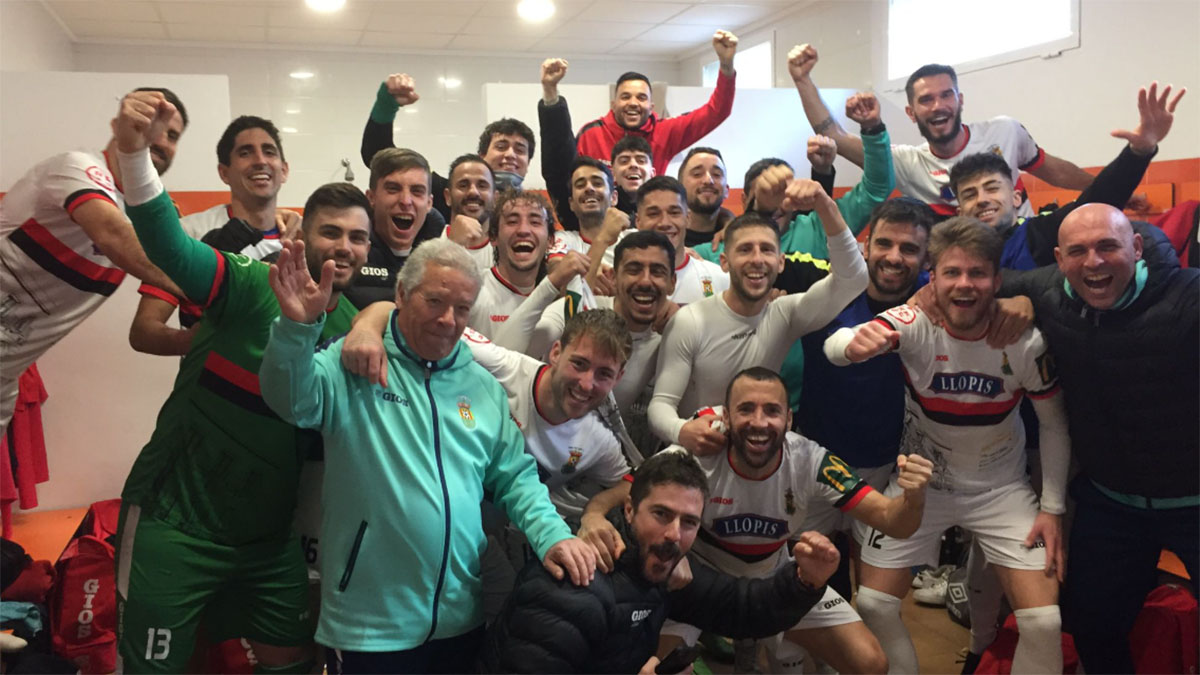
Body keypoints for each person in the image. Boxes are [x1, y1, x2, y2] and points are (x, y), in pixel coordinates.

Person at [110, 93, 369, 674]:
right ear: (300, 234)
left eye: (358, 238)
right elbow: (167, 245)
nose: (344, 248)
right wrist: (132, 152)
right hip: (172, 525)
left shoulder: (356, 329)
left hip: (268, 540)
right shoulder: (251, 280)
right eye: (331, 233)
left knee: (294, 663)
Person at [259, 236, 597, 674]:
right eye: (435, 301)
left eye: (461, 308)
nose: (447, 319)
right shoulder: (356, 361)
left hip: (460, 618)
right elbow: (288, 401)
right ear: (400, 294)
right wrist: (297, 330)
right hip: (370, 626)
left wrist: (552, 535)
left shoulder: (482, 388)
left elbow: (516, 478)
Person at [825, 217, 1071, 673]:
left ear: (997, 280)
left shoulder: (1022, 340)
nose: (964, 285)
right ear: (931, 278)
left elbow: (1054, 424)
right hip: (923, 487)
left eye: (977, 274)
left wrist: (1052, 509)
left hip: (1001, 489)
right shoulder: (917, 319)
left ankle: (979, 645)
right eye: (952, 273)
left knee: (1043, 622)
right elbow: (836, 345)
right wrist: (855, 344)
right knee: (876, 603)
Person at [998, 203, 1198, 673]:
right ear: (1058, 258)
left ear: (1136, 246)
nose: (1093, 261)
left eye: (1108, 246)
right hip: (1112, 505)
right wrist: (928, 298)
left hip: (1194, 500)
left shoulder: (1188, 296)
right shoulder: (1046, 290)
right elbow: (976, 284)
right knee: (1092, 627)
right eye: (1078, 251)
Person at [656, 367, 933, 674]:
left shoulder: (811, 459)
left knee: (870, 663)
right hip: (701, 582)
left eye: (772, 411)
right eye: (746, 409)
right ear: (726, 416)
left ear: (788, 419)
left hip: (776, 579)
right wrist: (608, 520)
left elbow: (892, 522)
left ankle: (768, 643)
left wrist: (914, 499)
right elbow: (630, 495)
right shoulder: (696, 452)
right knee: (654, 666)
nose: (759, 423)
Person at [479, 451, 841, 674]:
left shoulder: (660, 566)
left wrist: (804, 581)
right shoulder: (572, 586)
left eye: (689, 522)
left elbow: (741, 607)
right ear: (629, 508)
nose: (673, 533)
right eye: (662, 514)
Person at [0, 88, 186, 437]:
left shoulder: (149, 213)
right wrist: (212, 289)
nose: (161, 138)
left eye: (173, 134)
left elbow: (194, 245)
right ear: (118, 124)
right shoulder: (79, 166)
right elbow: (113, 235)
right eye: (151, 121)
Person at [649, 186, 868, 455]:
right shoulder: (690, 321)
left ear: (780, 262)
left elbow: (854, 279)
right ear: (725, 262)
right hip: (696, 455)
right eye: (745, 250)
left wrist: (825, 205)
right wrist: (682, 431)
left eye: (766, 250)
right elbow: (660, 406)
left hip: (755, 454)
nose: (756, 259)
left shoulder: (786, 315)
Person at [788, 45, 1095, 217]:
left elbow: (1053, 170)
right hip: (965, 272)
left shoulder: (1006, 131)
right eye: (926, 99)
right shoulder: (907, 164)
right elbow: (837, 137)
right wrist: (802, 80)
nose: (938, 105)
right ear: (910, 113)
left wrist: (1104, 187)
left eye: (946, 95)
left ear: (959, 100)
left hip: (1025, 255)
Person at [129, 115, 293, 356]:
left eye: (269, 151)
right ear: (224, 172)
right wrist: (197, 340)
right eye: (245, 153)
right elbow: (143, 332)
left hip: (284, 390)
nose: (260, 161)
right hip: (208, 387)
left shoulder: (300, 238)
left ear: (284, 170)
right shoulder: (189, 233)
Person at [695, 91, 894, 264]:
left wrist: (872, 128)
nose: (774, 205)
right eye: (765, 194)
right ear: (745, 200)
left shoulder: (818, 229)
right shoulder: (715, 250)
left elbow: (877, 189)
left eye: (782, 194)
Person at [361, 71, 533, 220]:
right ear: (481, 156)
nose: (510, 155)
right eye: (501, 146)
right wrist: (386, 105)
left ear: (529, 163)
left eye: (520, 150)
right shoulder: (442, 192)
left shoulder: (533, 212)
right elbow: (379, 157)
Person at [575, 31, 739, 176]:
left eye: (641, 97)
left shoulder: (666, 132)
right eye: (625, 97)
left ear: (651, 106)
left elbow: (717, 112)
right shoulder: (590, 134)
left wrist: (726, 66)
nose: (633, 103)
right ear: (613, 104)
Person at [467, 189, 592, 339]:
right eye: (512, 221)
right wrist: (552, 283)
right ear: (493, 237)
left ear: (550, 241)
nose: (524, 230)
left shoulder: (559, 303)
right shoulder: (472, 291)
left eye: (535, 222)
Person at [343, 147, 436, 308]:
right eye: (393, 189)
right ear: (371, 198)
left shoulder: (439, 257)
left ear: (429, 203)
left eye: (417, 191)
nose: (406, 201)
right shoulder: (345, 252)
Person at [440, 153, 497, 272]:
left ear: (495, 199)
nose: (473, 192)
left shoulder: (506, 252)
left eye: (482, 186)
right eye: (463, 185)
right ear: (448, 196)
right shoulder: (428, 242)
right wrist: (453, 245)